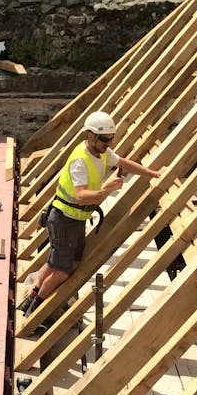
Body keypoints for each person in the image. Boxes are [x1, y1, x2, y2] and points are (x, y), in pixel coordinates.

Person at [29, 111, 165, 301]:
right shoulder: (80, 161)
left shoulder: (102, 153)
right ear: (91, 136)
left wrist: (154, 173)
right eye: (104, 139)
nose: (108, 143)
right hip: (64, 220)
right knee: (62, 271)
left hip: (72, 220)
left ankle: (31, 298)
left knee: (55, 263)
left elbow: (124, 163)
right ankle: (37, 309)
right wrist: (107, 189)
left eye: (111, 138)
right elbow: (81, 197)